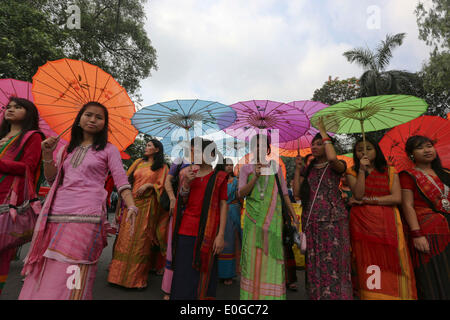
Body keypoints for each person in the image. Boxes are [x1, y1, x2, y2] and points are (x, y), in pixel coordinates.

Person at [19, 101, 137, 300]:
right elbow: (52, 179)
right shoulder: (66, 149)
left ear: (104, 124)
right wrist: (47, 153)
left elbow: (120, 180)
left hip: (86, 217)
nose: (92, 120)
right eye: (88, 115)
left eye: (99, 117)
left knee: (74, 265)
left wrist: (131, 204)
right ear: (79, 118)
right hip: (55, 214)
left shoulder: (109, 149)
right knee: (50, 265)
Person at [346, 137, 417, 300]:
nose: (364, 152)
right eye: (359, 150)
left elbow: (396, 198)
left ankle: (396, 295)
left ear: (376, 150)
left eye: (368, 148)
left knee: (393, 260)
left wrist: (368, 201)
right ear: (355, 154)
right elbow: (358, 194)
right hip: (362, 224)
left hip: (388, 222)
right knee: (368, 261)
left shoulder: (390, 171)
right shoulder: (352, 172)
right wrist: (362, 172)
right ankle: (373, 296)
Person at [293, 118, 352, 300]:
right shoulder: (308, 169)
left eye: (320, 144)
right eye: (314, 144)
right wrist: (297, 170)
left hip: (334, 220)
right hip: (311, 221)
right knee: (315, 262)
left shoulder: (337, 165)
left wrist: (323, 132)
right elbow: (296, 193)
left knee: (334, 261)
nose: (315, 147)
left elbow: (333, 157)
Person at [239, 134, 299, 300]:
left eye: (262, 145)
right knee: (252, 261)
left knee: (271, 260)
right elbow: (241, 193)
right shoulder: (245, 169)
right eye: (255, 145)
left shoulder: (276, 167)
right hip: (253, 221)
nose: (259, 148)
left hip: (273, 222)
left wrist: (293, 215)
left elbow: (285, 194)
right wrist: (255, 177)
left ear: (267, 149)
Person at [170, 138, 228, 300]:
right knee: (183, 274)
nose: (192, 154)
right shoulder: (187, 173)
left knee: (204, 274)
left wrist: (221, 235)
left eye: (196, 151)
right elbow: (183, 200)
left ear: (210, 154)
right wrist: (186, 184)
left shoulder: (220, 177)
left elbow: (224, 205)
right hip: (186, 230)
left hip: (209, 233)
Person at [108, 139, 169, 288]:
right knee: (125, 238)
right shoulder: (138, 163)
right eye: (146, 145)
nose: (146, 147)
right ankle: (116, 277)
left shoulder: (162, 167)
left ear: (157, 149)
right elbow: (125, 181)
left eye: (149, 145)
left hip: (148, 208)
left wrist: (150, 185)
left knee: (141, 242)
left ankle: (136, 280)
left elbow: (163, 187)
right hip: (131, 205)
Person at [0, 97, 44, 295]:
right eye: (8, 107)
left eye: (17, 107)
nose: (11, 109)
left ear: (29, 113)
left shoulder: (33, 136)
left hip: (7, 201)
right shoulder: (2, 135)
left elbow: (29, 167)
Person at [400, 135, 450, 299]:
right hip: (429, 234)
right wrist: (417, 234)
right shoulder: (408, 175)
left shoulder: (445, 173)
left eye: (429, 146)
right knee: (435, 278)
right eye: (420, 147)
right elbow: (408, 205)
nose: (426, 150)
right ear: (411, 154)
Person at [161, 157, 190, 300]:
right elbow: (167, 181)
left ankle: (185, 285)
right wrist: (172, 198)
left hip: (195, 210)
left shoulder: (204, 163)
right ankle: (169, 287)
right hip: (179, 208)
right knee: (174, 246)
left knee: (188, 249)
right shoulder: (179, 160)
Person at [217, 158, 242, 286]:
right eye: (227, 164)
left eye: (231, 165)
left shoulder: (237, 180)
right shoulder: (218, 179)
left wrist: (240, 187)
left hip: (232, 211)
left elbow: (240, 197)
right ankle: (218, 272)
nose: (229, 167)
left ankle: (229, 274)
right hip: (219, 211)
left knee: (231, 242)